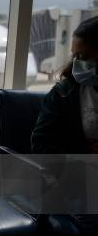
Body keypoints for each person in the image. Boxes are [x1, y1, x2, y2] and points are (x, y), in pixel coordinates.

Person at [32, 15, 98, 154]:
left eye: (83, 57)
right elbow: (42, 145)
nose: (76, 62)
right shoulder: (63, 93)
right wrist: (85, 154)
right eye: (75, 56)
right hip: (79, 172)